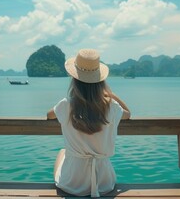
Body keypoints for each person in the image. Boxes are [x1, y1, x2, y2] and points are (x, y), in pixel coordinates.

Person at [47, 48, 131, 197]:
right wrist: (109, 94)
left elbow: (49, 115)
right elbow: (128, 114)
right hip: (104, 183)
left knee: (62, 152)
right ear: (100, 81)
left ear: (74, 80)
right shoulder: (111, 107)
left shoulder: (66, 105)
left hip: (72, 183)